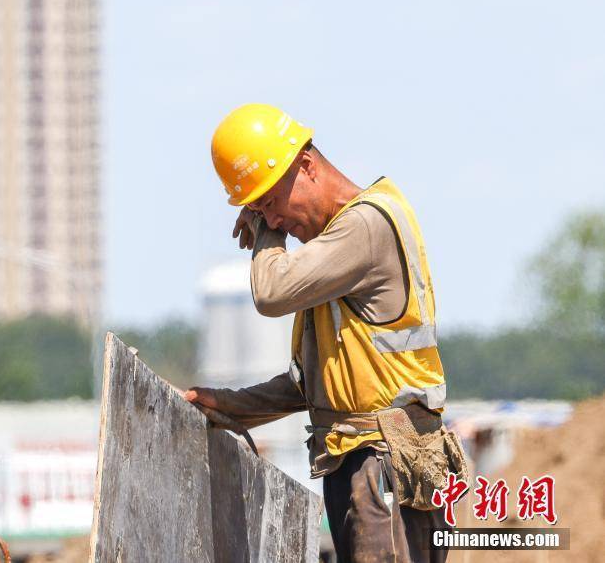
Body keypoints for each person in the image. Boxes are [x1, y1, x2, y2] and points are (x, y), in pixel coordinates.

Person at [185, 103, 465, 563]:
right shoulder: (338, 249)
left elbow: (271, 292)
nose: (276, 222)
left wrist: (262, 234)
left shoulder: (365, 226)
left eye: (271, 203)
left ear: (307, 166)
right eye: (260, 211)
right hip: (368, 461)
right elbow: (315, 385)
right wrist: (229, 405)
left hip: (382, 463)